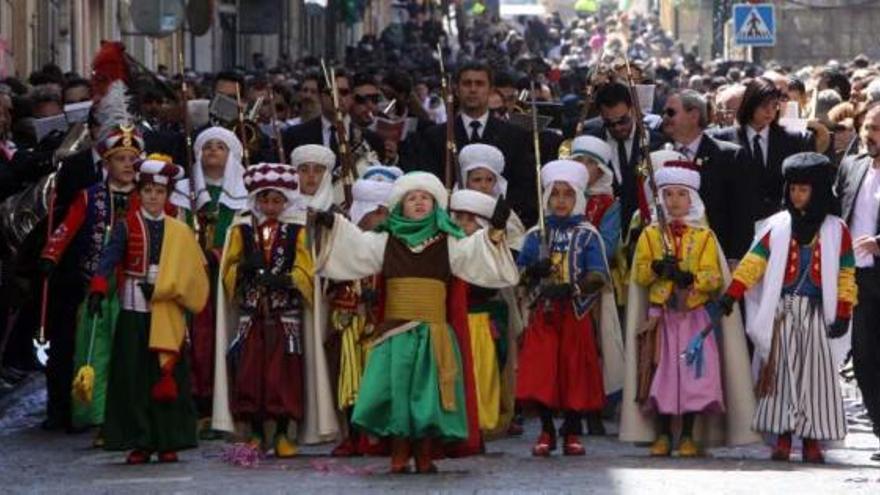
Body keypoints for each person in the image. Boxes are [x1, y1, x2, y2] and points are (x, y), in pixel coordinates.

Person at [313, 171, 519, 473]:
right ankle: (398, 455)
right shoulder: (386, 238)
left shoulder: (449, 239)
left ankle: (424, 455)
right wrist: (335, 226)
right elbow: (356, 246)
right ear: (400, 206)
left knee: (428, 397)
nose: (419, 202)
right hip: (395, 334)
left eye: (425, 197)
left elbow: (476, 253)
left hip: (433, 334)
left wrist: (495, 230)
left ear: (435, 204)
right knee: (398, 393)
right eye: (412, 198)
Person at [719, 152, 856, 464]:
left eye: (803, 189)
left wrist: (845, 312)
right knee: (780, 376)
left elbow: (846, 274)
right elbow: (754, 262)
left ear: (819, 191)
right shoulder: (777, 226)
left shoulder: (837, 230)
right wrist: (733, 293)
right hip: (782, 313)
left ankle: (810, 440)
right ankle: (781, 438)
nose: (796, 195)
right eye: (792, 189)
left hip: (818, 315)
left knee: (815, 379)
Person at [626, 161, 756, 457]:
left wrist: (691, 278)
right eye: (668, 194)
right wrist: (658, 268)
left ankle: (687, 435)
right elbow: (640, 273)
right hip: (662, 317)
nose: (674, 201)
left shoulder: (705, 237)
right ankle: (661, 434)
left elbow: (714, 277)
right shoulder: (650, 235)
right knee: (661, 375)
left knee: (694, 376)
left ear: (692, 198)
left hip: (694, 317)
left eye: (680, 194)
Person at [87, 155, 209, 464]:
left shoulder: (180, 231)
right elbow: (109, 258)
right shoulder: (126, 227)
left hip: (167, 308)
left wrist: (172, 289)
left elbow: (193, 270)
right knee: (134, 377)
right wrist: (99, 288)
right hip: (133, 308)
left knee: (166, 377)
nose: (153, 197)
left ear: (167, 196)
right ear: (138, 194)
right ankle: (139, 440)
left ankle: (168, 439)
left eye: (159, 192)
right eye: (148, 191)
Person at [39, 85, 145, 438]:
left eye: (132, 159)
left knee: (131, 353)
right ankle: (95, 414)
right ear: (107, 161)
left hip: (134, 287)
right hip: (94, 288)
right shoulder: (90, 195)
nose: (127, 165)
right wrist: (50, 257)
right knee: (93, 351)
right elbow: (65, 228)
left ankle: (132, 414)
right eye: (120, 159)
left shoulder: (149, 197)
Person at [216, 162, 312, 457]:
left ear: (286, 201)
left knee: (283, 374)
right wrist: (244, 267)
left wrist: (287, 279)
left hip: (284, 315)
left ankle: (283, 433)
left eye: (276, 200)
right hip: (252, 313)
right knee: (250, 372)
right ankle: (256, 433)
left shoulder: (297, 230)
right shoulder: (241, 230)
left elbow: (306, 266)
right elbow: (227, 269)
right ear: (255, 200)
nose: (270, 206)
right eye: (264, 200)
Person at [515, 160, 610, 457]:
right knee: (542, 371)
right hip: (543, 312)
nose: (560, 201)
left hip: (575, 313)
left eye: (567, 194)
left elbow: (599, 274)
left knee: (574, 372)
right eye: (554, 194)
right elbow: (518, 275)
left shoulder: (588, 234)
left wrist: (575, 287)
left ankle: (570, 430)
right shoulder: (534, 235)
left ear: (577, 197)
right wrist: (533, 271)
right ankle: (545, 429)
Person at [170, 126, 247, 439]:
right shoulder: (184, 192)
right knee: (194, 341)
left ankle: (227, 405)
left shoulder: (243, 192)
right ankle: (196, 404)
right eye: (207, 146)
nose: (213, 152)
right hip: (193, 279)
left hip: (228, 282)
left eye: (220, 147)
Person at [327, 165, 401, 457]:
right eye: (375, 211)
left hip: (383, 324)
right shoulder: (346, 239)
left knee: (382, 383)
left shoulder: (396, 243)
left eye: (385, 211)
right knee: (350, 382)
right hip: (351, 320)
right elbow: (332, 276)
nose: (381, 217)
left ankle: (381, 437)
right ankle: (353, 436)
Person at [418, 61, 538, 226]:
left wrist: (496, 215)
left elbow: (523, 187)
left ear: (490, 90)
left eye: (479, 84)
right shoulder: (436, 136)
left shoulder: (515, 136)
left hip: (499, 226)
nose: (473, 89)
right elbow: (430, 183)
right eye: (467, 83)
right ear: (457, 89)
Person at [833, 104, 880, 462]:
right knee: (863, 357)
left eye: (877, 129)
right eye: (866, 127)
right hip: (858, 276)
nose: (869, 134)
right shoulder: (853, 166)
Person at [661, 89, 754, 259]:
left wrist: (735, 259)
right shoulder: (657, 154)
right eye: (664, 112)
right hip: (669, 260)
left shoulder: (730, 156)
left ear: (694, 115)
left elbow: (742, 216)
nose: (664, 117)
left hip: (716, 260)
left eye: (671, 112)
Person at [712, 77, 813, 222]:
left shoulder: (792, 140)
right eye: (764, 106)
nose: (769, 111)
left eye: (774, 106)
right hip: (738, 224)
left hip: (780, 224)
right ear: (750, 104)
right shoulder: (723, 139)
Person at [581, 81, 666, 228]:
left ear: (633, 109)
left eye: (623, 121)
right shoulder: (591, 144)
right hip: (603, 230)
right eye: (610, 123)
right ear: (601, 116)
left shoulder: (655, 143)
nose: (618, 128)